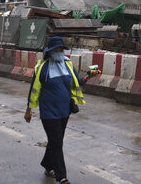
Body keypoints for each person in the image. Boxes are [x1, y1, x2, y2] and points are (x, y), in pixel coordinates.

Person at [24, 36, 98, 184]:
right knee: (57, 143)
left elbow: (75, 82)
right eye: (56, 50)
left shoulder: (67, 64)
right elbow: (34, 90)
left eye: (61, 50)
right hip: (49, 112)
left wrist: (88, 77)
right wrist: (28, 110)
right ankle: (62, 177)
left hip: (65, 111)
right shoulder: (42, 68)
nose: (59, 52)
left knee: (54, 141)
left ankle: (47, 165)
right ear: (50, 52)